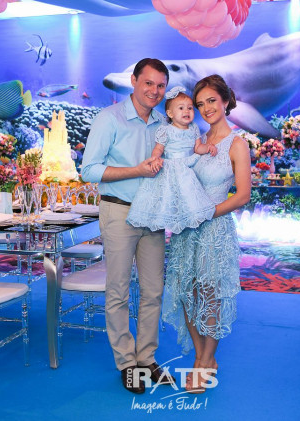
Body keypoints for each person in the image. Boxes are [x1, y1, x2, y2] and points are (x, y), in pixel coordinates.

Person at [81, 58, 174, 394]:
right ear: (133, 81)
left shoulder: (163, 123)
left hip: (153, 216)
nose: (154, 91)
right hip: (119, 211)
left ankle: (147, 358)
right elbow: (89, 170)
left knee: (153, 291)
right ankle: (126, 363)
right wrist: (137, 170)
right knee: (118, 291)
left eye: (161, 86)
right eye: (148, 83)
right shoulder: (110, 118)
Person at [161, 74, 251, 393]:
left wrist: (208, 212)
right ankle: (203, 357)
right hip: (187, 230)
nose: (206, 108)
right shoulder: (194, 139)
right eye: (200, 104)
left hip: (214, 228)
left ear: (225, 101)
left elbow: (243, 195)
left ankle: (204, 361)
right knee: (187, 293)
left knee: (210, 296)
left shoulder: (237, 144)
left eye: (212, 100)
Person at [126, 86, 217, 234]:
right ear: (170, 113)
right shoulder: (166, 130)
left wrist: (207, 147)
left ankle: (187, 218)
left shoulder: (193, 128)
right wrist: (155, 159)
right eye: (181, 108)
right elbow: (158, 148)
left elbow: (197, 147)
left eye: (190, 108)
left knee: (188, 195)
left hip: (187, 166)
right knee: (167, 195)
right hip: (170, 166)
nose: (186, 111)